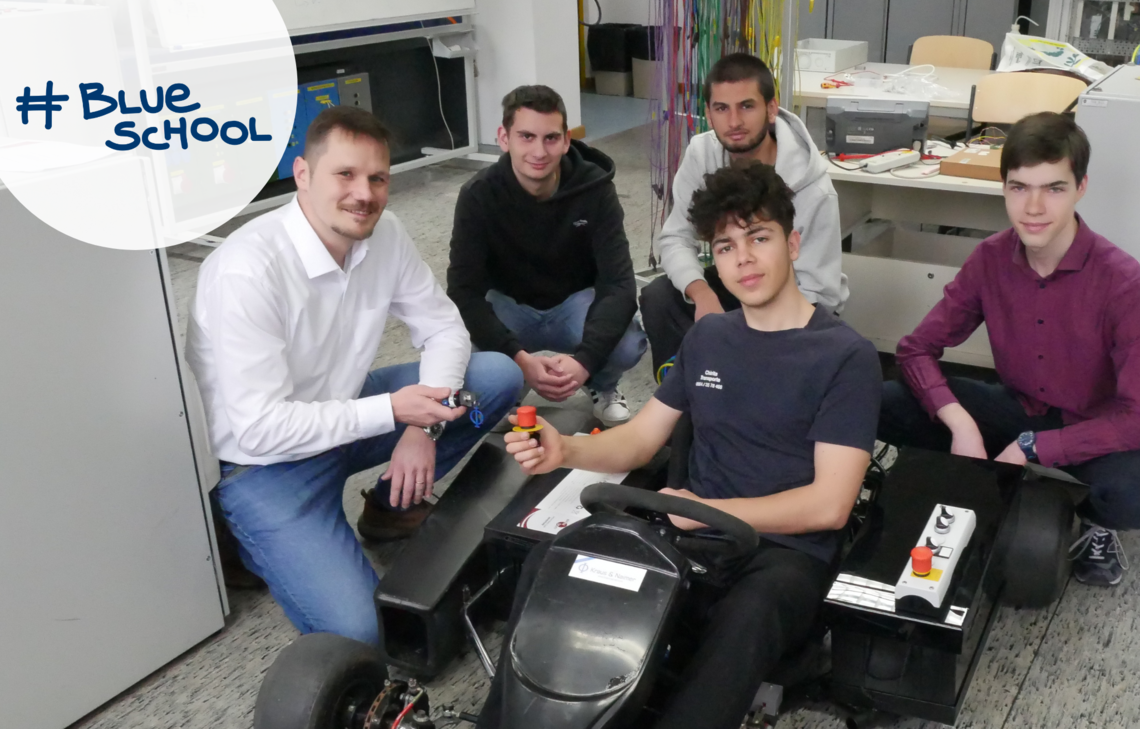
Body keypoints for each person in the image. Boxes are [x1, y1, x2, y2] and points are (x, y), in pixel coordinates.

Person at [479, 163, 881, 729]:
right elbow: (641, 440)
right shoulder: (709, 337)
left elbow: (830, 505)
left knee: (748, 616)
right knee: (557, 559)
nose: (743, 259)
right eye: (726, 246)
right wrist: (564, 450)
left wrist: (705, 509)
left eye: (759, 238)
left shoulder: (845, 356)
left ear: (792, 244)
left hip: (784, 553)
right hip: (689, 530)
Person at [186, 106, 523, 644]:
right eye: (345, 174)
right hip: (266, 463)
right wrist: (394, 411)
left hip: (348, 407)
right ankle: (238, 535)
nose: (364, 194)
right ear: (302, 174)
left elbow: (444, 328)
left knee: (495, 375)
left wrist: (424, 427)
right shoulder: (246, 270)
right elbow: (258, 428)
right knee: (363, 633)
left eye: (377, 178)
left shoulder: (384, 232)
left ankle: (390, 508)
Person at [878, 111, 1140, 587]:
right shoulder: (991, 258)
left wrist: (1035, 448)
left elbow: (1135, 417)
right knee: (887, 401)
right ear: (1003, 188)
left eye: (1053, 188)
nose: (1033, 207)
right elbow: (915, 350)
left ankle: (1095, 523)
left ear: (1081, 188)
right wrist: (961, 425)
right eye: (1019, 187)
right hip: (1018, 407)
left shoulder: (1124, 283)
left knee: (1131, 492)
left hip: (1091, 426)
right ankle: (961, 479)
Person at [639, 52, 848, 377]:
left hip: (792, 298)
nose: (734, 122)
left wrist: (749, 331)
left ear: (771, 108)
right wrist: (703, 296)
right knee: (659, 297)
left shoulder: (813, 187)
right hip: (737, 281)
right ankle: (680, 392)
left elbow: (820, 292)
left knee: (760, 374)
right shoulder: (702, 153)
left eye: (747, 106)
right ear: (709, 114)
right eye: (722, 108)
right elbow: (675, 237)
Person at [447, 85, 645, 423]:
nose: (539, 151)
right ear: (504, 138)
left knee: (627, 343)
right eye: (526, 136)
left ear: (567, 140)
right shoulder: (478, 195)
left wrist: (585, 362)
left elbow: (619, 284)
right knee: (456, 347)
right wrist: (519, 358)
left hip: (576, 304)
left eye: (551, 138)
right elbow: (463, 291)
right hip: (509, 306)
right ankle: (511, 385)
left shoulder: (596, 189)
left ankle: (602, 384)